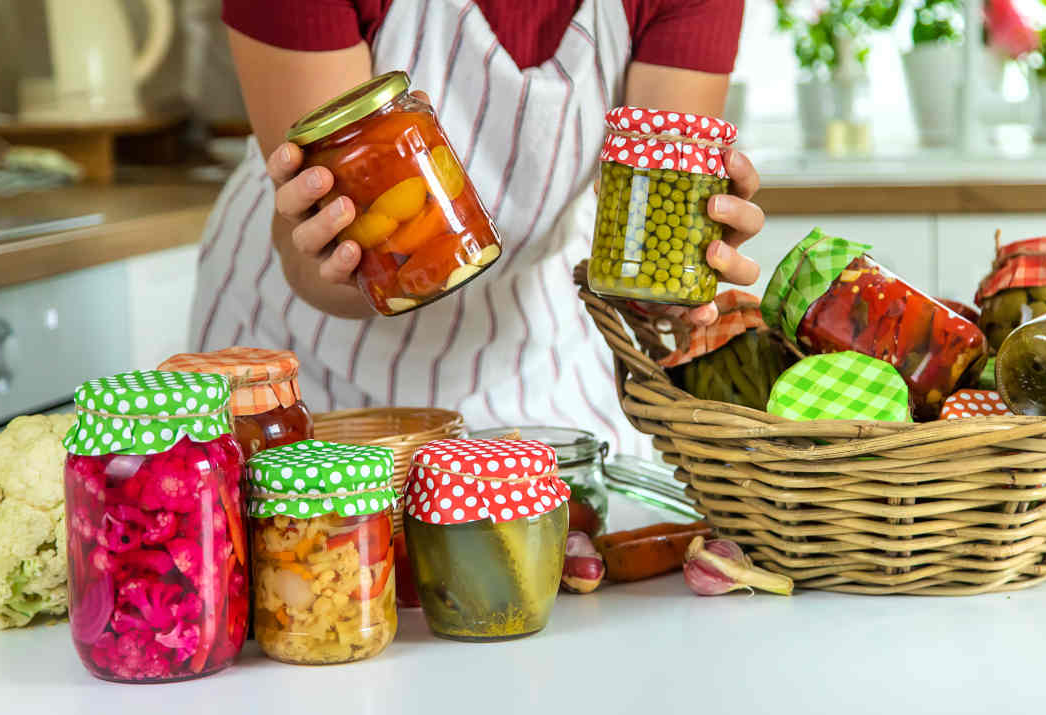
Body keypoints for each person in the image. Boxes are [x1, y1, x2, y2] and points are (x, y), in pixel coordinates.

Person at [194, 0, 765, 455]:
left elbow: (656, 195)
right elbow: (323, 251)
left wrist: (668, 286)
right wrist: (337, 262)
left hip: (532, 340)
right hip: (306, 359)